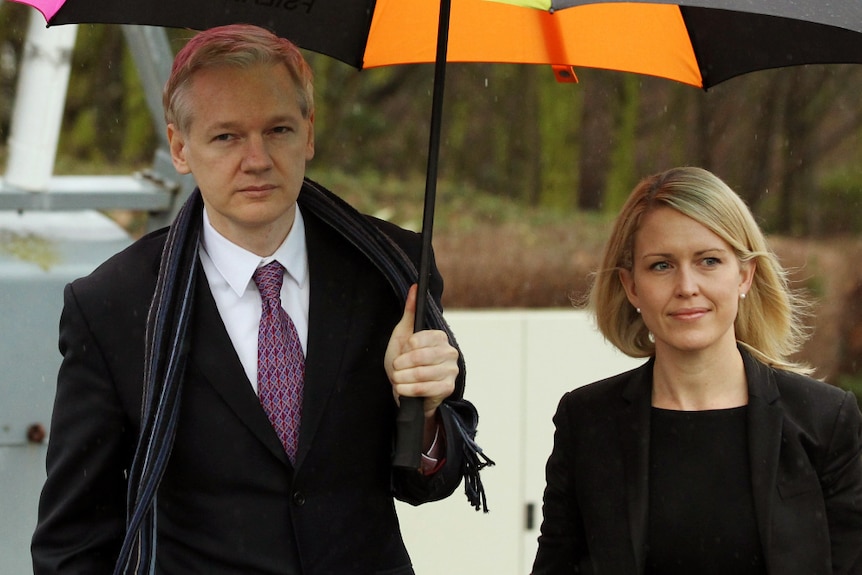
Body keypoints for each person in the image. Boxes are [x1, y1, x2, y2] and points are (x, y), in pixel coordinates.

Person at [31, 24, 488, 575]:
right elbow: (73, 539)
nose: (257, 159)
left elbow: (430, 479)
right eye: (226, 136)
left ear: (309, 133)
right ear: (179, 147)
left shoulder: (390, 270)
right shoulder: (112, 304)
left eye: (278, 129)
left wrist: (425, 411)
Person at [531, 166, 862, 574]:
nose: (687, 286)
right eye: (661, 266)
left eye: (708, 261)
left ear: (744, 274)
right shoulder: (587, 420)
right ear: (631, 285)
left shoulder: (824, 419)